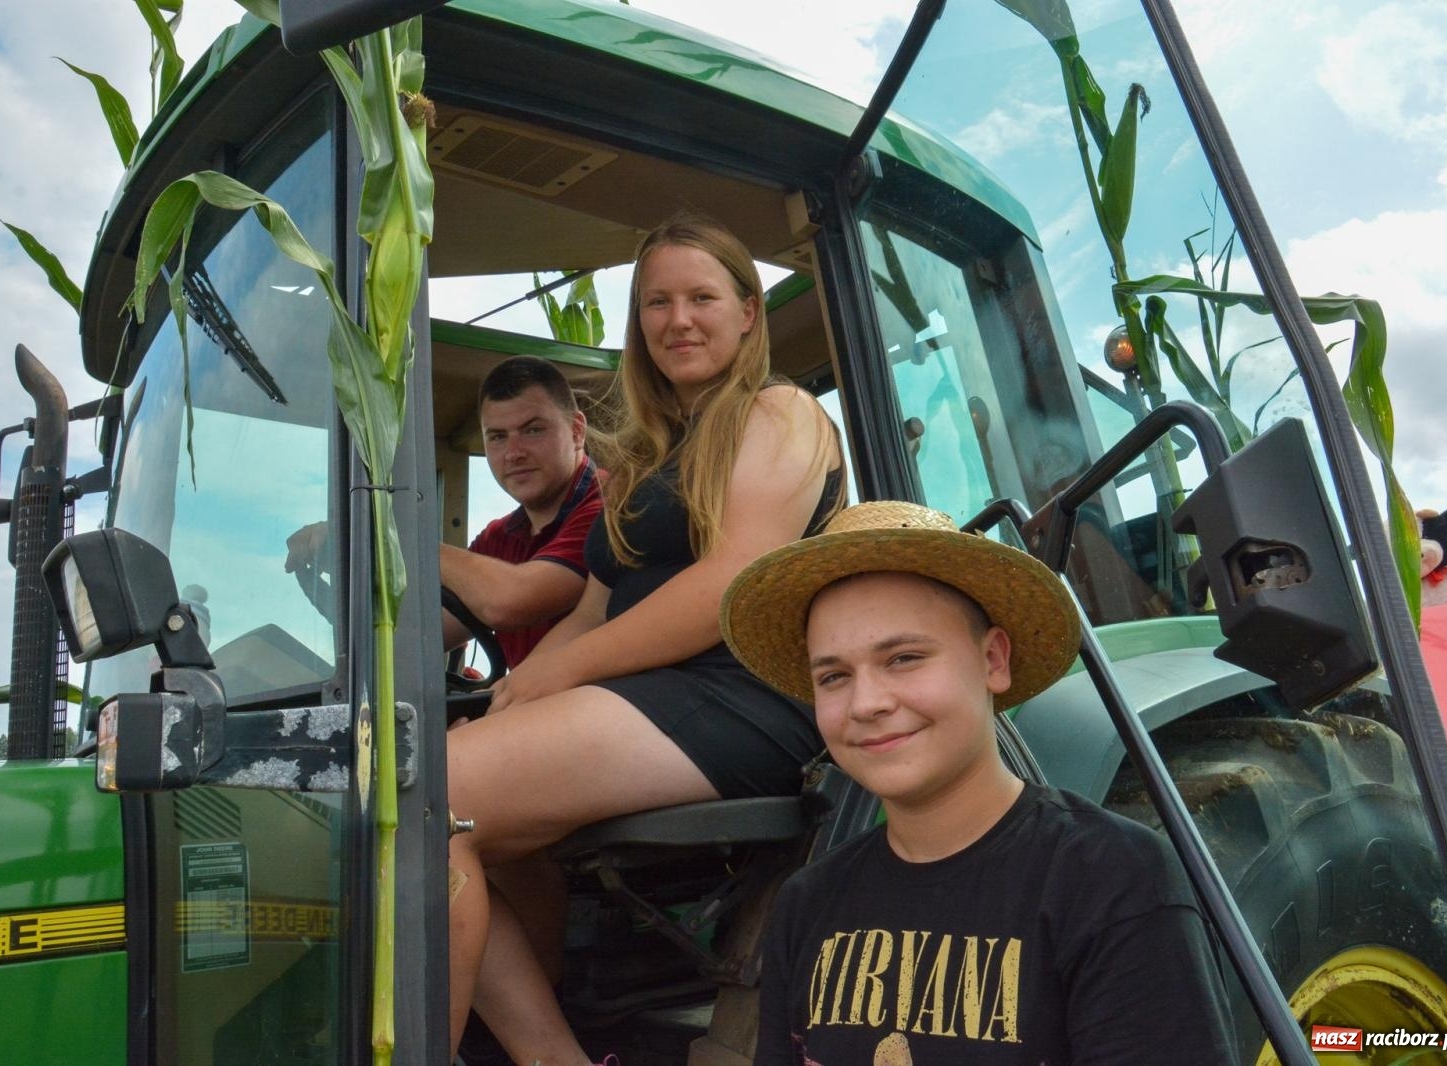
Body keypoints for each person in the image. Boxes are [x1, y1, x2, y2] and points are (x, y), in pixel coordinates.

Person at [442, 213, 844, 1065]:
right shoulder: (643, 459)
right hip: (644, 694)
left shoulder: (781, 413)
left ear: (748, 313)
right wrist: (513, 692)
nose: (678, 319)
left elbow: (731, 584)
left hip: (737, 693)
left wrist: (557, 678)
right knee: (441, 797)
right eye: (657, 302)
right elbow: (593, 612)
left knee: (434, 799)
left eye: (702, 297)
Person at [721, 500, 1239, 1065]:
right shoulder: (806, 904)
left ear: (993, 659)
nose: (866, 703)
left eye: (904, 658)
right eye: (834, 676)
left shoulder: (1108, 880)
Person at [284, 355, 601, 669]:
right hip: (530, 697)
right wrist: (339, 570)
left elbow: (511, 602)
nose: (514, 453)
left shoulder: (610, 511)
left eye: (533, 430)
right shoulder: (499, 538)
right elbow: (418, 637)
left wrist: (387, 538)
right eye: (497, 437)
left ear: (576, 431)